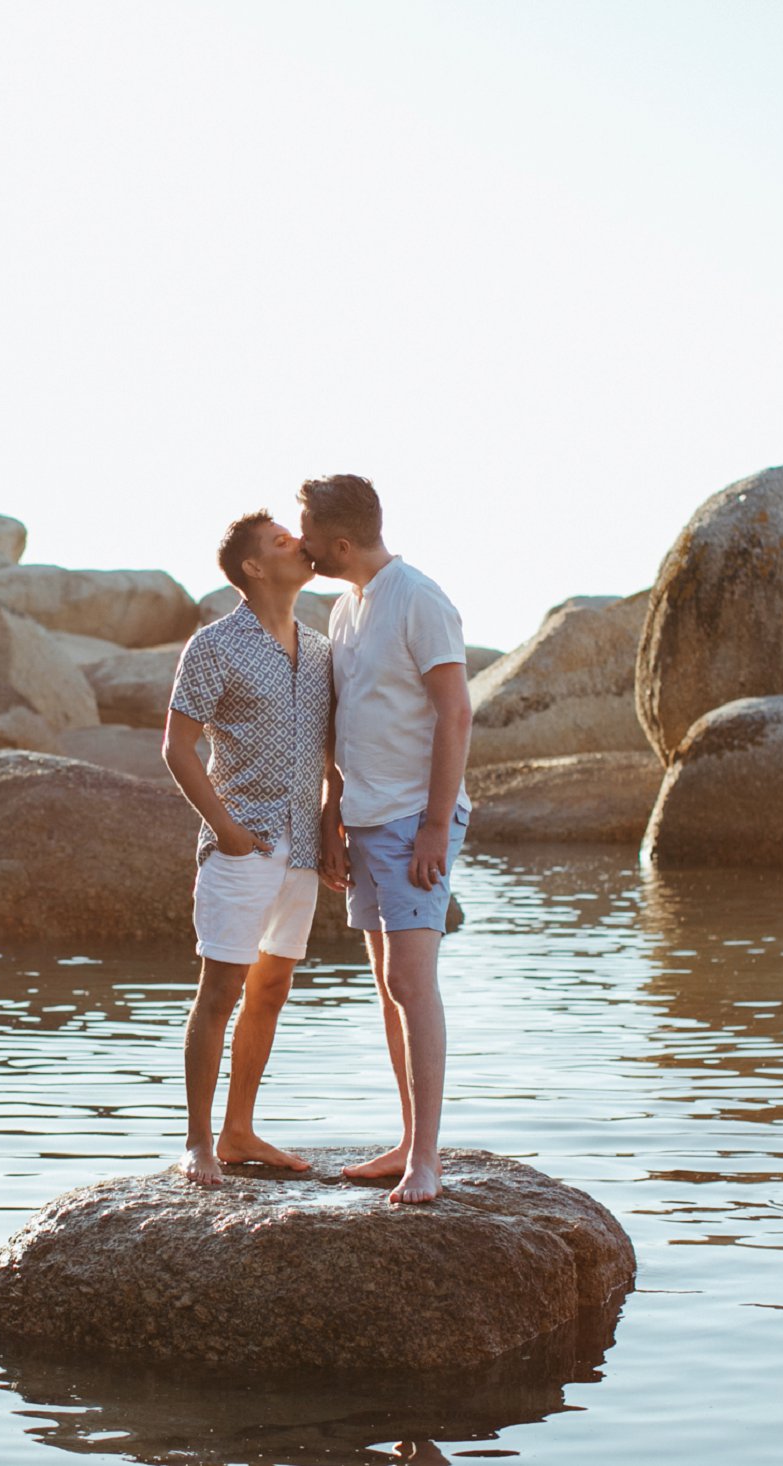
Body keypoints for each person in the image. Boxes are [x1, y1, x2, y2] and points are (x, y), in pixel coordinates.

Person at [298, 474, 471, 1205]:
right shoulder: (344, 609)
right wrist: (334, 812)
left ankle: (426, 1160)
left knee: (410, 981)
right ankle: (407, 1142)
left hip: (413, 819)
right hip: (364, 818)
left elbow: (456, 712)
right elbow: (348, 722)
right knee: (387, 987)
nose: (300, 548)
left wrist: (435, 825)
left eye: (308, 537)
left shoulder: (419, 599)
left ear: (339, 543)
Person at [162, 510, 334, 1186]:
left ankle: (240, 1130)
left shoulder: (320, 650)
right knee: (220, 991)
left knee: (272, 988)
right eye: (281, 541)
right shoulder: (214, 645)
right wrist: (226, 829)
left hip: (303, 850)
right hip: (243, 845)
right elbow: (176, 746)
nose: (299, 544)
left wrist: (335, 830)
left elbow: (331, 753)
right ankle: (199, 1141)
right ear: (254, 568)